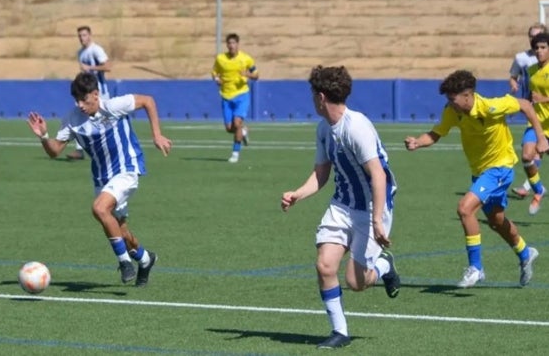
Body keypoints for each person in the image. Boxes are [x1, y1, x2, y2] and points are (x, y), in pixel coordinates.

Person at [280, 65, 400, 349]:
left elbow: (379, 175)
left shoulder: (356, 127)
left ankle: (384, 265)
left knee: (356, 282)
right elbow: (321, 173)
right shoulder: (324, 129)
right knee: (324, 265)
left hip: (373, 207)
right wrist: (298, 193)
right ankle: (340, 332)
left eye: (312, 95)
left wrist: (377, 222)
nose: (311, 100)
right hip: (343, 205)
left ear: (321, 97)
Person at [404, 69, 546, 288]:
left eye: (453, 99)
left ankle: (476, 268)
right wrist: (417, 142)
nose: (450, 103)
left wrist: (540, 139)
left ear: (468, 96)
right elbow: (436, 133)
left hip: (500, 168)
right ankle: (525, 252)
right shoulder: (453, 111)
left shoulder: (492, 106)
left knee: (465, 209)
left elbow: (526, 106)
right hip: (480, 171)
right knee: (496, 221)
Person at [27, 72, 171, 286]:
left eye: (84, 100)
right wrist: (44, 136)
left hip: (126, 169)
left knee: (99, 209)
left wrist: (157, 134)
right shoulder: (72, 119)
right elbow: (55, 151)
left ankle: (124, 262)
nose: (80, 105)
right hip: (101, 178)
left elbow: (147, 101)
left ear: (95, 94)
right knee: (120, 229)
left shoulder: (113, 106)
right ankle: (144, 259)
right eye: (77, 101)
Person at [509, 22, 547, 199]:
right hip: (536, 118)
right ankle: (536, 189)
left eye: (542, 47)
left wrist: (544, 99)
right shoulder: (528, 66)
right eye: (536, 46)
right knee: (527, 155)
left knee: (535, 154)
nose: (538, 50)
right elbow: (514, 77)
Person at [67, 25, 113, 161]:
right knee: (81, 117)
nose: (82, 38)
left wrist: (90, 67)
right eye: (80, 36)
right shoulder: (80, 52)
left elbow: (108, 66)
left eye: (84, 35)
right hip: (86, 95)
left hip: (99, 94)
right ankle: (79, 150)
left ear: (90, 35)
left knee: (105, 121)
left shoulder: (96, 50)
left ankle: (109, 148)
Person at [211, 33, 258, 163]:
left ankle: (235, 153)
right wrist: (216, 79)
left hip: (242, 95)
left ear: (238, 44)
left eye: (234, 43)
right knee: (229, 128)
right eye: (229, 43)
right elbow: (214, 72)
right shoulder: (221, 59)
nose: (231, 46)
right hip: (226, 96)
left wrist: (248, 74)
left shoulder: (246, 59)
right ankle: (243, 132)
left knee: (237, 123)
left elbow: (256, 74)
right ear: (226, 45)